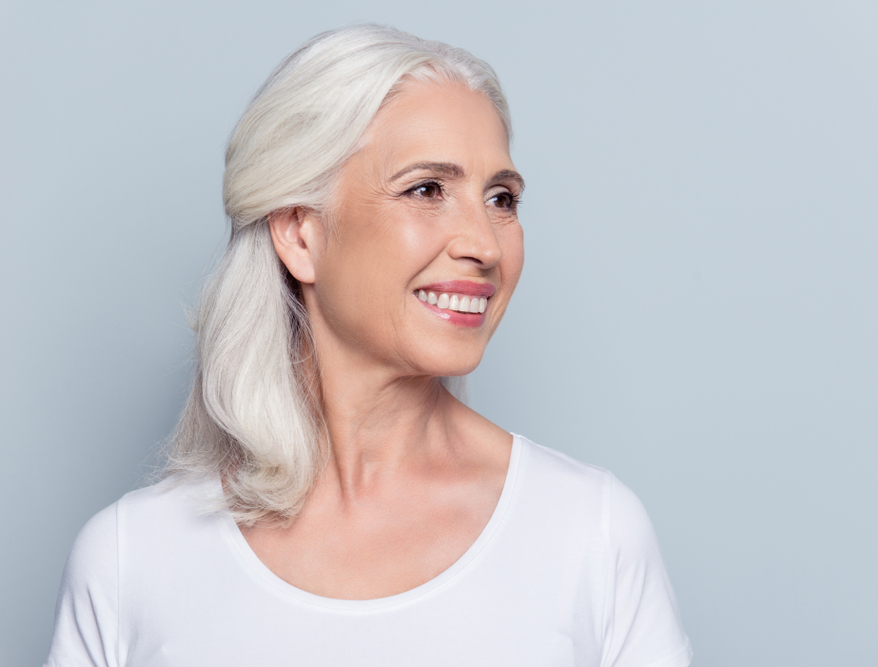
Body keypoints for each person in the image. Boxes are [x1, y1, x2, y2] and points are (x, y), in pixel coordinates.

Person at [45, 25, 693, 666]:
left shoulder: (590, 532)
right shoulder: (133, 559)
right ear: (300, 233)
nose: (485, 245)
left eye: (501, 198)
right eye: (426, 189)